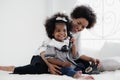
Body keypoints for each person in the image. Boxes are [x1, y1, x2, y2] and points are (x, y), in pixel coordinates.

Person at [40, 12, 94, 79]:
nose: (62, 33)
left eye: (64, 31)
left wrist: (73, 44)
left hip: (68, 63)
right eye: (58, 31)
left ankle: (79, 72)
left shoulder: (67, 41)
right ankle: (78, 76)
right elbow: (49, 58)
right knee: (67, 69)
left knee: (81, 65)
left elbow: (75, 56)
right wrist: (61, 64)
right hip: (60, 65)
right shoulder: (52, 44)